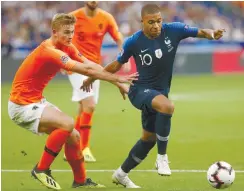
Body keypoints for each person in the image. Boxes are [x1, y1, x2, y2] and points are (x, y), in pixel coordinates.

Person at [81, 3, 226, 188]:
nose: (156, 25)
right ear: (142, 22)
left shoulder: (174, 30)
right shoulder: (133, 42)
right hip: (139, 90)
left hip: (159, 93)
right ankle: (162, 158)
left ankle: (121, 174)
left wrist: (213, 34)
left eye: (158, 21)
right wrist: (93, 76)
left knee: (148, 139)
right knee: (168, 106)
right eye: (151, 22)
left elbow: (201, 32)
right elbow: (116, 65)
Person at [8, 13, 137, 190]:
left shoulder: (67, 46)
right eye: (66, 32)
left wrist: (116, 81)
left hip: (35, 101)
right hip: (21, 105)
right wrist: (118, 80)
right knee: (67, 123)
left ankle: (80, 181)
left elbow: (90, 65)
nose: (70, 36)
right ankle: (41, 169)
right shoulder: (50, 51)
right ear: (54, 31)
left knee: (74, 136)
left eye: (72, 32)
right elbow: (85, 70)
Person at [66, 1, 131, 162]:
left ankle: (71, 148)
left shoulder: (106, 18)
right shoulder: (73, 17)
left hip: (95, 67)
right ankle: (84, 148)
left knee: (83, 108)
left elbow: (118, 37)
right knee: (90, 104)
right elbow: (60, 37)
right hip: (76, 66)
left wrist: (125, 56)